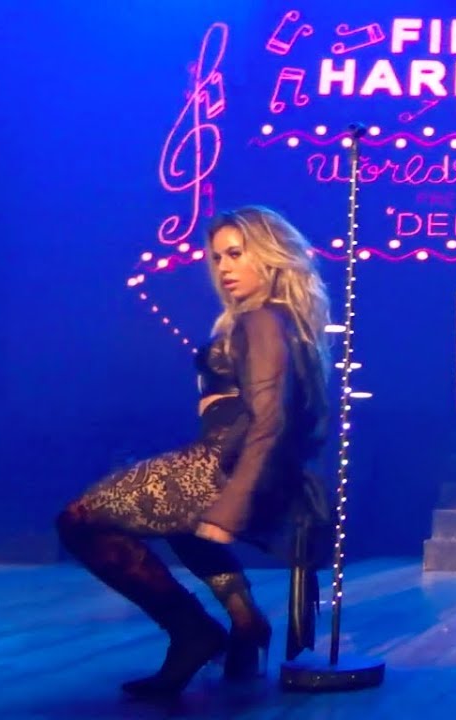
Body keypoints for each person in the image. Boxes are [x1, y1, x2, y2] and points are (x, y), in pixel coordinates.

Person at [56, 206, 333, 699]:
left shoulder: (263, 321)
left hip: (222, 466)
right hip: (222, 458)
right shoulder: (277, 320)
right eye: (218, 257)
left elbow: (270, 419)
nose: (224, 267)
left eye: (237, 253)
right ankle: (245, 623)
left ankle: (191, 632)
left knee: (77, 521)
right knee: (177, 521)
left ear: (270, 256)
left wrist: (231, 506)